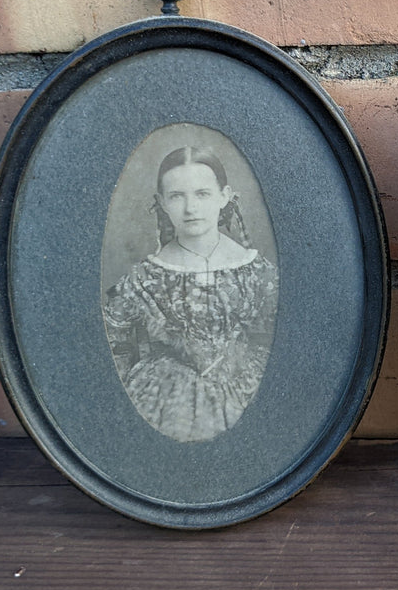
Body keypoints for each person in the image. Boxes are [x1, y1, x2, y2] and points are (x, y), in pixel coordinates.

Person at [103, 145, 278, 443]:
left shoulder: (256, 271)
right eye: (176, 196)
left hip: (244, 389)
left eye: (202, 194)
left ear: (224, 196)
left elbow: (279, 340)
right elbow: (112, 347)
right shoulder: (145, 278)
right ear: (162, 203)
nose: (190, 208)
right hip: (167, 400)